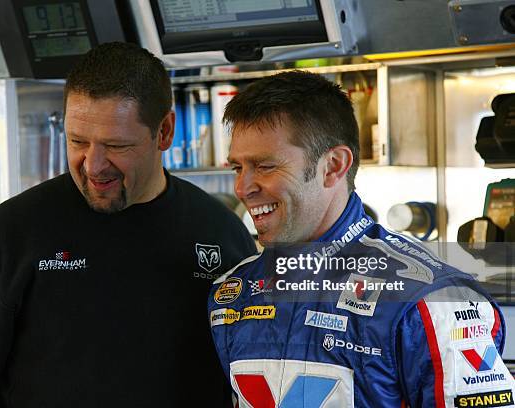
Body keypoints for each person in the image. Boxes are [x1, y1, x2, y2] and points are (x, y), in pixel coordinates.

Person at [0, 42, 257, 407]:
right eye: (77, 141)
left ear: (165, 131)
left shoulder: (220, 234)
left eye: (116, 145)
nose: (93, 165)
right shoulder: (8, 236)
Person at [208, 71, 515, 407]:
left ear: (333, 166)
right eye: (237, 167)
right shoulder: (231, 292)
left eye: (265, 166)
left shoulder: (435, 300)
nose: (243, 188)